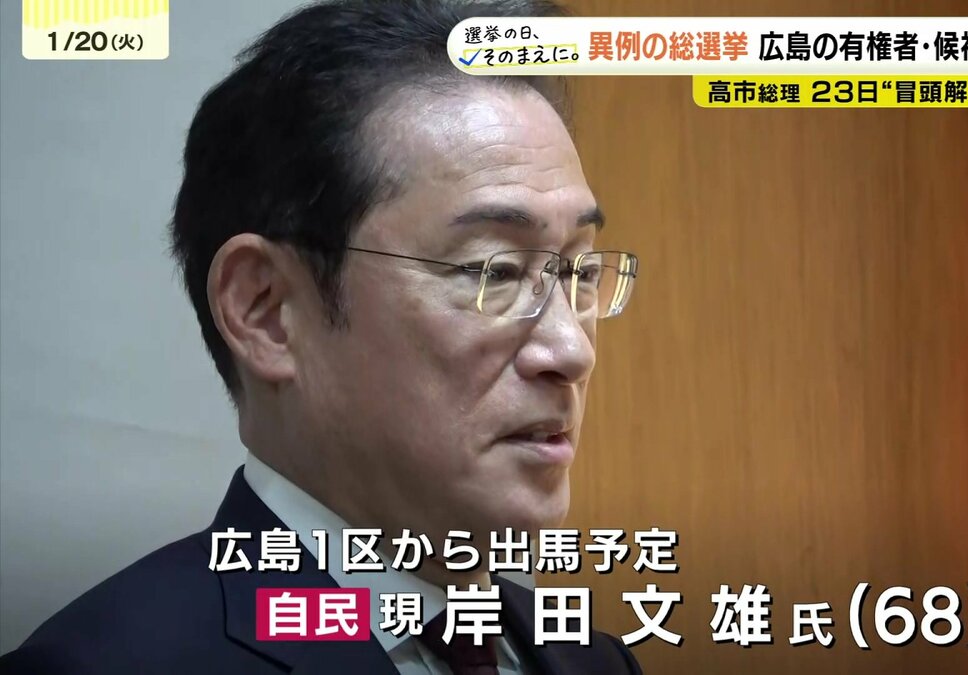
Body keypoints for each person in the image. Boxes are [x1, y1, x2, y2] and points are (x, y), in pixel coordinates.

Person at [0, 0, 641, 672]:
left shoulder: (596, 661)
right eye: (495, 270)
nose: (572, 350)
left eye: (579, 271)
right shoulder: (107, 663)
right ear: (266, 310)